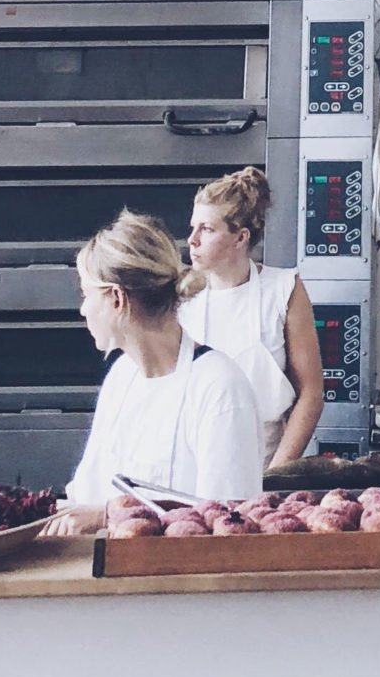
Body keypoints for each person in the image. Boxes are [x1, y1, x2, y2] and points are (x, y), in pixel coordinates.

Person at [44, 210, 262, 535]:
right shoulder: (121, 377)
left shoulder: (219, 386)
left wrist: (106, 516)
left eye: (86, 295)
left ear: (117, 299)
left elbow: (229, 523)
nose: (82, 309)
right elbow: (88, 492)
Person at [179, 167, 326, 473]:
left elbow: (311, 393)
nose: (191, 240)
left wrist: (275, 476)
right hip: (190, 471)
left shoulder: (284, 289)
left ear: (240, 237)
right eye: (193, 227)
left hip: (264, 467)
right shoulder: (180, 296)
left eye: (206, 229)